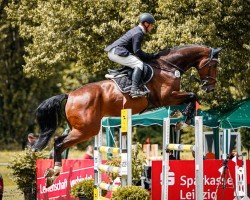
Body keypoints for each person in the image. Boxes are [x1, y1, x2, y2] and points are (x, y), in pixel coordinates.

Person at [104, 13, 160, 98]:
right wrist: (151, 56)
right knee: (139, 64)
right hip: (117, 52)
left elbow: (136, 52)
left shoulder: (137, 30)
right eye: (151, 25)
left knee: (135, 62)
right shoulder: (138, 33)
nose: (152, 27)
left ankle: (117, 73)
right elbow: (137, 51)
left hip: (114, 51)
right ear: (146, 24)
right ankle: (134, 90)